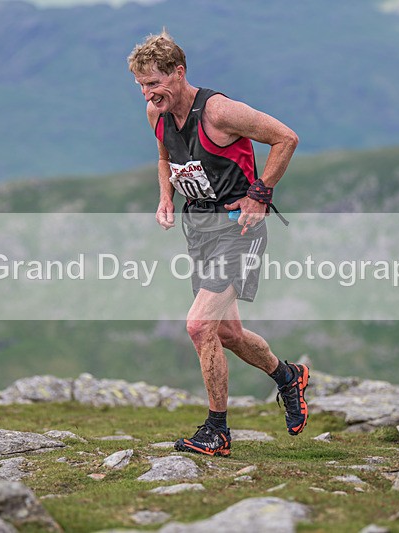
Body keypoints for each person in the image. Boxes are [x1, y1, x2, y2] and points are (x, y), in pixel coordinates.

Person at [127, 30, 308, 457]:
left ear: (179, 72)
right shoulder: (157, 112)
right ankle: (288, 376)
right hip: (201, 229)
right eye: (141, 86)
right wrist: (167, 196)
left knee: (199, 325)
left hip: (238, 230)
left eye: (155, 83)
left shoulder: (219, 111)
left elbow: (286, 138)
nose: (149, 94)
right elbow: (165, 158)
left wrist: (260, 194)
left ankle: (217, 431)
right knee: (228, 332)